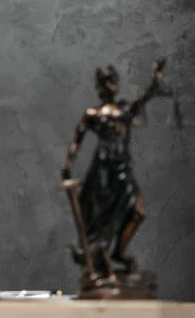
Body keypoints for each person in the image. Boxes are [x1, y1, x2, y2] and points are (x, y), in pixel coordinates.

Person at [60, 58, 178, 278]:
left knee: (138, 212)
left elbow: (144, 98)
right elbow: (77, 139)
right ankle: (100, 260)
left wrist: (156, 80)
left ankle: (118, 253)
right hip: (104, 172)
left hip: (124, 170)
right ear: (98, 86)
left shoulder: (124, 110)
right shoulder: (94, 114)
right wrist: (67, 164)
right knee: (104, 220)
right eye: (105, 82)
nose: (110, 86)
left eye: (112, 81)